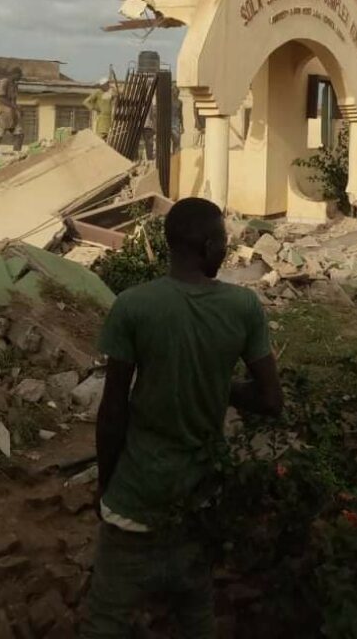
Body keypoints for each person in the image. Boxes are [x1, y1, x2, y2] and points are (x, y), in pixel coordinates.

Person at [82, 197, 283, 639]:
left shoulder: (134, 306)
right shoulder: (243, 307)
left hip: (135, 501)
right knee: (196, 618)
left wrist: (106, 483)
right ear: (209, 245)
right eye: (224, 242)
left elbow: (113, 409)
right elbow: (271, 400)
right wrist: (220, 385)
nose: (226, 250)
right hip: (199, 499)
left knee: (105, 622)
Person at [0, 67, 23, 151]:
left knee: (19, 134)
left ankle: (16, 154)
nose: (20, 78)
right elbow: (1, 98)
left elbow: (14, 101)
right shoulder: (4, 82)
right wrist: (15, 107)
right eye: (19, 76)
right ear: (15, 74)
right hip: (3, 111)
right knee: (0, 133)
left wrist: (19, 111)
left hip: (12, 113)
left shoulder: (15, 85)